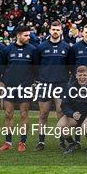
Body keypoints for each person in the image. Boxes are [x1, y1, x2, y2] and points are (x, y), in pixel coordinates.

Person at [0, 26, 37, 153]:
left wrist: (31, 82)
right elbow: (1, 68)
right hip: (9, 86)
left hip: (25, 87)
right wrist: (1, 82)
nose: (28, 37)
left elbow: (36, 68)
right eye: (26, 35)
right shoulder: (7, 50)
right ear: (18, 36)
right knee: (8, 114)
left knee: (24, 114)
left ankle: (22, 142)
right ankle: (8, 142)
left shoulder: (33, 50)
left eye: (29, 35)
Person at [34, 21, 71, 151]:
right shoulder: (41, 47)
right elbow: (36, 65)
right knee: (43, 114)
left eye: (58, 29)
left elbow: (70, 66)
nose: (55, 31)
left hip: (61, 84)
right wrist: (40, 79)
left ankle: (62, 141)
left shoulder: (67, 47)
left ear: (61, 31)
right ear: (49, 30)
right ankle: (41, 142)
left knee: (61, 112)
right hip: (45, 84)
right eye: (53, 29)